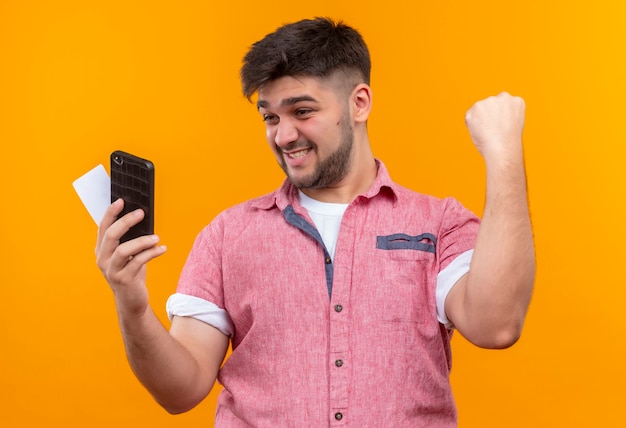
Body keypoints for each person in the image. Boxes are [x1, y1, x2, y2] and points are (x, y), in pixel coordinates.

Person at [96, 17, 535, 427]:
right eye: (270, 116)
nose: (283, 136)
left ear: (359, 103)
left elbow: (495, 325)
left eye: (302, 111)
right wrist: (132, 303)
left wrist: (504, 155)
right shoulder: (228, 235)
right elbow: (181, 390)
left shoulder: (438, 223)